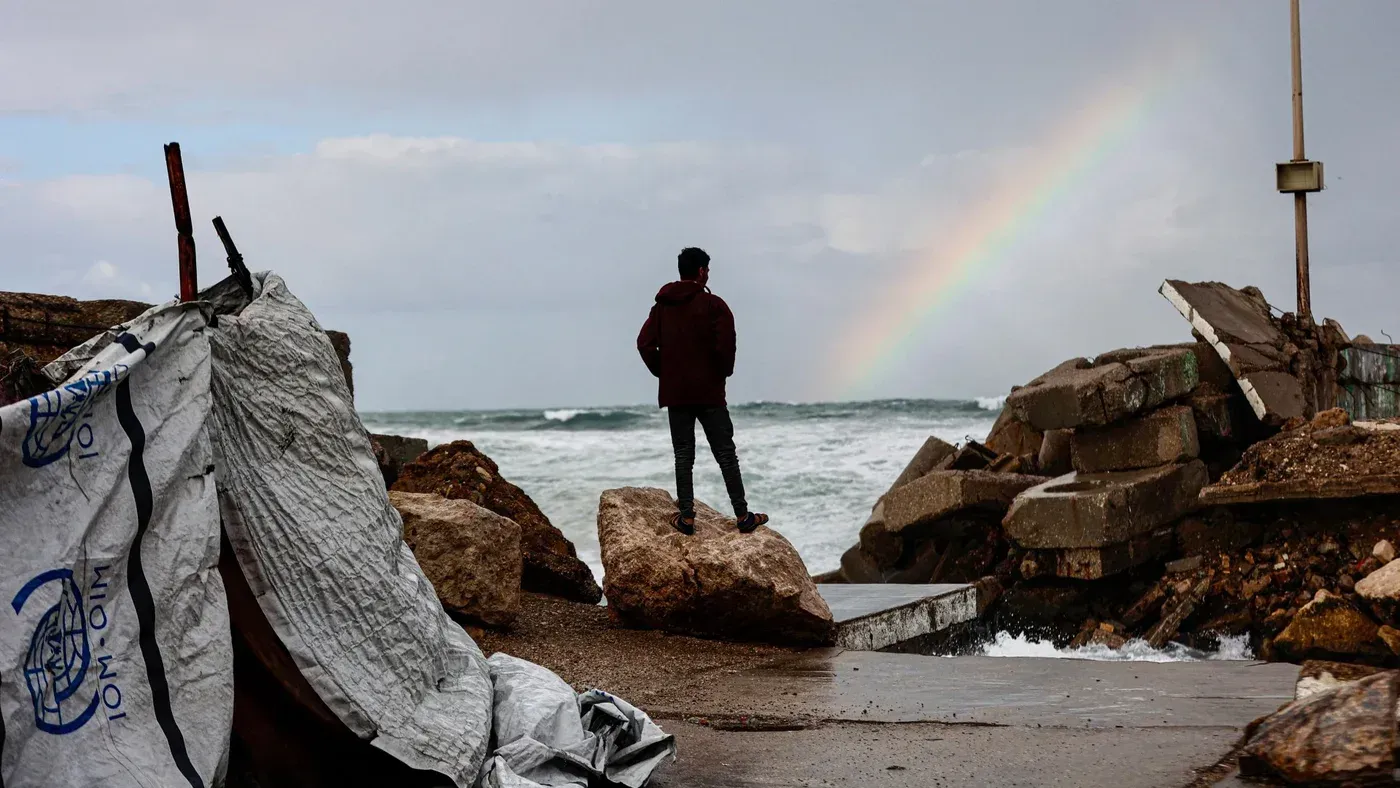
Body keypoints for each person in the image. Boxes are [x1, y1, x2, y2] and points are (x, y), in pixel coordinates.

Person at [637, 247, 769, 536]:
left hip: (676, 394)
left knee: (683, 454)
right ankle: (743, 516)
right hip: (709, 392)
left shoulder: (662, 307)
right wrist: (721, 373)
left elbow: (644, 344)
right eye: (707, 269)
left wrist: (666, 373)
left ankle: (686, 518)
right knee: (726, 454)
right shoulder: (714, 305)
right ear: (701, 271)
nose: (708, 274)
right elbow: (726, 345)